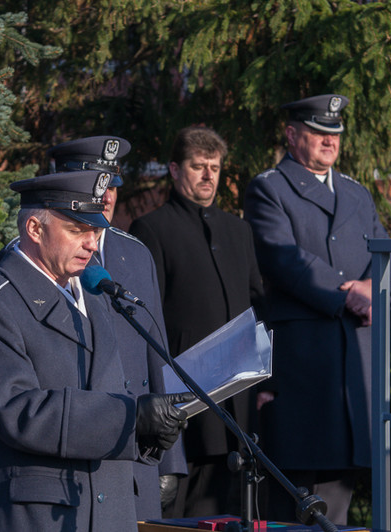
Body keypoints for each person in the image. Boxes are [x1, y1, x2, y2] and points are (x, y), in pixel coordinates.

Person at [0, 170, 193, 531]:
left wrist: (147, 431)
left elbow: (105, 392)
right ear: (34, 228)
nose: (92, 244)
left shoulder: (95, 295)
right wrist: (131, 417)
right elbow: (19, 411)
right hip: (38, 515)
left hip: (106, 509)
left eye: (95, 231)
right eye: (77, 230)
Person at [244, 94, 391, 524]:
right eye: (318, 132)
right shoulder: (269, 187)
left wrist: (374, 287)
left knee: (336, 498)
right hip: (303, 365)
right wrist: (348, 293)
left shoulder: (356, 193)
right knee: (294, 502)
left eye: (334, 134)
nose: (329, 141)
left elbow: (388, 252)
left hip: (353, 365)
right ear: (292, 135)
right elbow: (282, 256)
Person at [48, 136, 188, 519]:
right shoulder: (43, 253)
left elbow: (157, 356)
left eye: (111, 185)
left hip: (140, 456)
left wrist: (170, 459)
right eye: (95, 184)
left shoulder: (135, 253)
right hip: (79, 455)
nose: (107, 196)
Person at [129, 126, 264, 519]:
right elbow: (148, 319)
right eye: (197, 166)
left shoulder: (238, 230)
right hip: (183, 397)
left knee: (232, 514)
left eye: (214, 167)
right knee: (184, 517)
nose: (208, 175)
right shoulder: (152, 229)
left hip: (238, 400)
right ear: (174, 169)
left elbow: (257, 304)